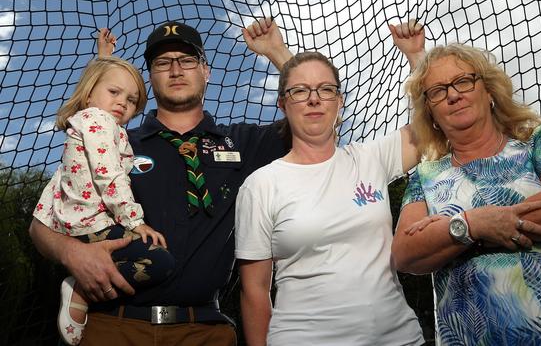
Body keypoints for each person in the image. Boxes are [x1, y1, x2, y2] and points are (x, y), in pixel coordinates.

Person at [29, 19, 291, 345]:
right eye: (163, 63)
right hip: (113, 324)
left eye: (187, 60)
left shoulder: (240, 142)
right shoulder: (114, 142)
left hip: (204, 329)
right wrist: (71, 254)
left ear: (206, 70)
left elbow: (320, 121)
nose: (176, 70)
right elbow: (41, 223)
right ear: (150, 78)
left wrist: (278, 53)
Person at [391, 42, 541, 345]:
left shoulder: (535, 140)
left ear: (489, 91)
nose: (453, 95)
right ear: (430, 112)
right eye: (438, 91)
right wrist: (472, 224)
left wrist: (451, 233)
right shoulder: (426, 175)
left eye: (463, 81)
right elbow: (405, 252)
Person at [234, 22, 426, 345]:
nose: (314, 100)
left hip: (399, 338)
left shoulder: (370, 159)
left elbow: (428, 131)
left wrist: (417, 57)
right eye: (299, 92)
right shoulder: (261, 185)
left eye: (326, 90)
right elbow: (254, 292)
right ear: (282, 104)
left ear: (339, 103)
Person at [32, 55, 174, 345]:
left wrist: (103, 57)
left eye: (132, 99)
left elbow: (58, 183)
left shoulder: (90, 124)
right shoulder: (98, 120)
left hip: (74, 224)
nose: (123, 102)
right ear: (89, 93)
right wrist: (135, 221)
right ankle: (80, 289)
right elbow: (108, 175)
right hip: (92, 226)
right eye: (114, 93)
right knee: (160, 262)